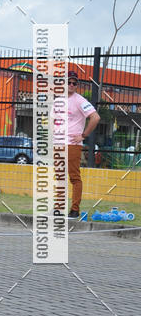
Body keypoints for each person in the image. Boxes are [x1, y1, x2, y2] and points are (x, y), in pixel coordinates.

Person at [67, 70, 100, 218]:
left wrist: (83, 135)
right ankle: (57, 208)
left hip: (72, 144)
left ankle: (75, 209)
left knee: (74, 177)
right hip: (57, 143)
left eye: (74, 83)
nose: (71, 85)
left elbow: (95, 117)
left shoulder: (80, 100)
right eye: (68, 82)